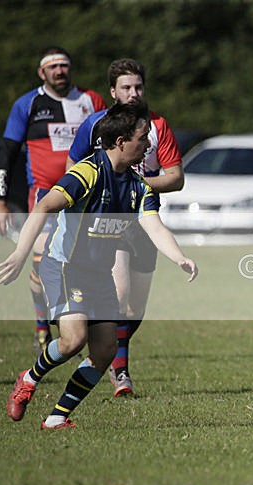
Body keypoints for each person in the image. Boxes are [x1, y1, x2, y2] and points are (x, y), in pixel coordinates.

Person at [0, 101, 198, 430]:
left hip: (99, 274)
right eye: (143, 138)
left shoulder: (139, 185)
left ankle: (57, 417)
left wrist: (179, 257)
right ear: (121, 141)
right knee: (72, 340)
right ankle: (29, 378)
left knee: (105, 351)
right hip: (65, 267)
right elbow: (44, 205)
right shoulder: (88, 173)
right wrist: (21, 253)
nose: (148, 146)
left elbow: (154, 226)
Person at [67, 58, 184, 397]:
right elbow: (72, 166)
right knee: (119, 295)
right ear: (112, 91)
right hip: (108, 222)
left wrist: (136, 184)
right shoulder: (95, 124)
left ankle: (104, 349)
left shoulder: (158, 125)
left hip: (144, 221)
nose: (134, 93)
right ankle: (119, 370)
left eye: (138, 87)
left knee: (135, 309)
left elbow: (176, 178)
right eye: (126, 87)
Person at [0, 46, 107, 357]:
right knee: (42, 258)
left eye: (64, 65)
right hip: (44, 194)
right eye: (53, 66)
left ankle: (78, 326)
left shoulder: (91, 100)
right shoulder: (27, 104)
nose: (59, 71)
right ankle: (43, 323)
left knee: (80, 260)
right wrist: (0, 201)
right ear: (41, 72)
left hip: (84, 194)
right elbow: (7, 154)